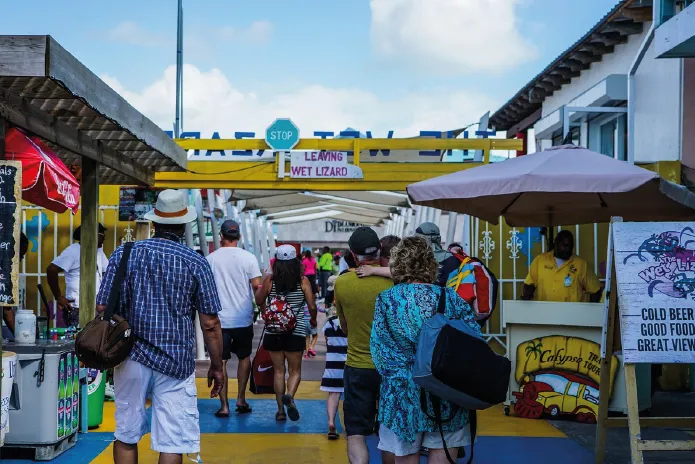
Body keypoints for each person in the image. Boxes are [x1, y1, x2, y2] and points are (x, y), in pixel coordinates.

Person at [97, 189, 225, 464]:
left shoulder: (125, 253)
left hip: (130, 356)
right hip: (175, 362)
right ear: (183, 225)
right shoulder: (195, 262)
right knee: (172, 441)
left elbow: (102, 307)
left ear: (154, 222)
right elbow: (210, 323)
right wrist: (217, 365)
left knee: (126, 434)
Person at [371, 236, 480, 462]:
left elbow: (380, 354)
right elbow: (475, 342)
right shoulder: (451, 298)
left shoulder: (387, 300)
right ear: (431, 264)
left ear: (397, 265)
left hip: (402, 396)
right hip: (447, 393)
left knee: (406, 454)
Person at [334, 227, 394, 464]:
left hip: (357, 366)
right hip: (391, 368)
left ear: (352, 253)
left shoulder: (343, 283)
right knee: (389, 432)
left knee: (356, 432)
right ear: (379, 250)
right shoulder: (394, 283)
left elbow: (345, 327)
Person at [206, 219, 262, 417]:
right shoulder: (249, 258)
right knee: (244, 357)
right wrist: (263, 307)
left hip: (218, 319)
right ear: (239, 236)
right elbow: (257, 286)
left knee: (220, 361)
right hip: (242, 318)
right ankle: (241, 398)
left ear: (221, 236)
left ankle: (224, 406)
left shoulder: (210, 258)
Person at [255, 245, 317, 422]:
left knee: (279, 371)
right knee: (295, 370)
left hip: (273, 331)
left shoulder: (270, 280)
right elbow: (312, 306)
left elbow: (259, 300)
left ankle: (281, 410)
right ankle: (290, 395)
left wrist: (265, 278)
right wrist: (312, 321)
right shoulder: (302, 280)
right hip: (295, 332)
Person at [47, 223, 109, 326]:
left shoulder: (98, 251)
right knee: (78, 338)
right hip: (77, 308)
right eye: (102, 234)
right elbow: (51, 270)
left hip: (95, 307)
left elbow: (106, 272)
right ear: (93, 235)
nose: (104, 238)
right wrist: (58, 296)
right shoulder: (73, 251)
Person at [522, 230, 602, 303]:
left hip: (572, 316)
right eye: (565, 245)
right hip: (545, 314)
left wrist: (590, 312)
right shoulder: (540, 261)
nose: (568, 249)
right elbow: (529, 284)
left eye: (571, 246)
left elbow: (595, 290)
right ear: (556, 243)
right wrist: (527, 294)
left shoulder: (581, 264)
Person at [321, 307, 347, 441]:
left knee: (333, 394)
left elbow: (327, 342)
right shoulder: (351, 322)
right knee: (351, 395)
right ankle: (351, 425)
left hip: (332, 364)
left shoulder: (328, 324)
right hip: (350, 363)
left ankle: (331, 421)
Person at [2, 233, 29, 338]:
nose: (20, 260)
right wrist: (21, 338)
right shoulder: (5, 273)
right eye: (20, 255)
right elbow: (6, 310)